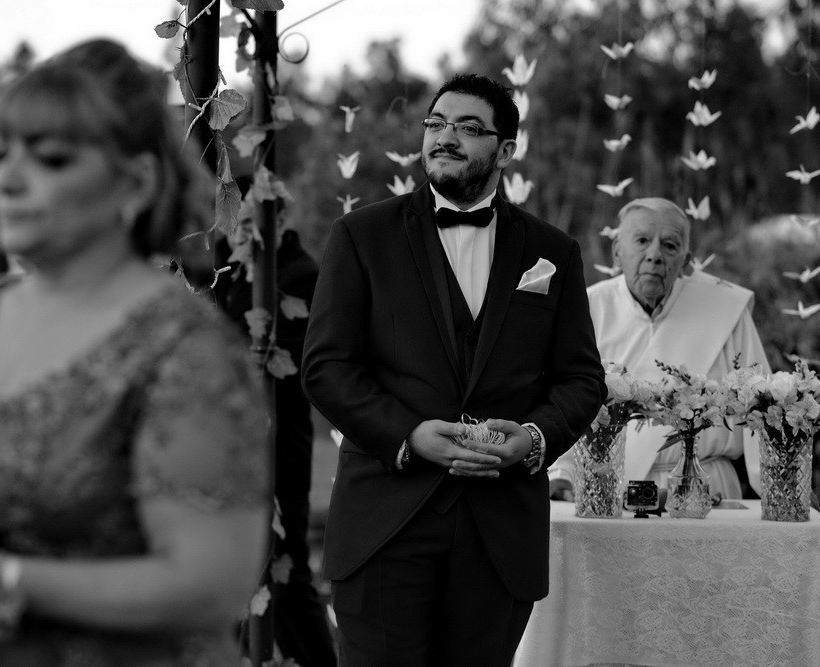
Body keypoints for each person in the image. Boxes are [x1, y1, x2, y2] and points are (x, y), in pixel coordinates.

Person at [0, 38, 270, 667]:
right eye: (1, 155)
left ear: (135, 181)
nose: (7, 180)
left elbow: (211, 587)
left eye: (49, 159)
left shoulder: (182, 346)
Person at [301, 73, 606, 666]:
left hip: (498, 534)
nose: (446, 137)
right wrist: (409, 436)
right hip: (386, 524)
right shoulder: (361, 236)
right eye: (437, 124)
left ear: (506, 150)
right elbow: (327, 367)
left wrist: (535, 438)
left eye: (469, 128)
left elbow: (581, 378)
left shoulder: (553, 253)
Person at [549, 197, 770, 501]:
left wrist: (777, 493)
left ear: (686, 261)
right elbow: (561, 401)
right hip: (604, 491)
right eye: (642, 241)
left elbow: (762, 407)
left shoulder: (726, 311)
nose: (654, 255)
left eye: (670, 245)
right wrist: (561, 476)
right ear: (617, 253)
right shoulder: (585, 308)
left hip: (706, 489)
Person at [212, 218, 337, 667]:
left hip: (278, 438)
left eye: (248, 221)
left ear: (277, 217)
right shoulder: (224, 268)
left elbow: (288, 366)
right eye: (233, 223)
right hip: (222, 439)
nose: (237, 232)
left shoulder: (300, 274)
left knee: (283, 566)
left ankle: (319, 660)